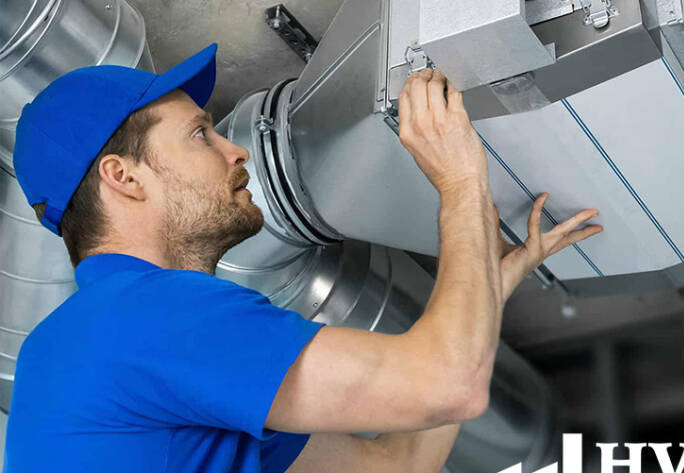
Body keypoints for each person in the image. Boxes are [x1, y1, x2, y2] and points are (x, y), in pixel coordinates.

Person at [4, 44, 601, 472]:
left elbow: (395, 463)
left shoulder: (97, 344)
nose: (234, 149)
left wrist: (487, 288)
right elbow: (449, 387)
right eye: (199, 134)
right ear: (124, 177)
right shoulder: (142, 319)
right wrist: (462, 181)